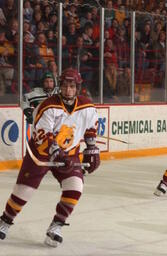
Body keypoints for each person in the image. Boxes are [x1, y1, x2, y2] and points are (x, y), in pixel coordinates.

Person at [0, 67, 100, 247]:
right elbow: (42, 134)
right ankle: (5, 221)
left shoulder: (87, 106)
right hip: (41, 154)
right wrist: (55, 150)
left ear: (77, 87)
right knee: (24, 191)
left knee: (75, 187)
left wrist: (92, 148)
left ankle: (56, 226)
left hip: (69, 154)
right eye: (65, 86)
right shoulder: (48, 105)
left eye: (72, 86)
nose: (68, 90)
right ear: (59, 86)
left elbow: (91, 127)